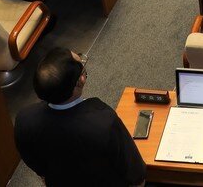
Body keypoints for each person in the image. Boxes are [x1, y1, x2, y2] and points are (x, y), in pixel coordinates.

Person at [15, 48, 147, 187]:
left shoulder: (24, 119)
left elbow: (34, 162)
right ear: (81, 80)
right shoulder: (103, 121)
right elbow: (136, 173)